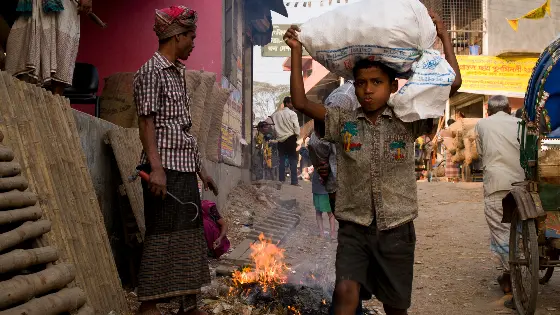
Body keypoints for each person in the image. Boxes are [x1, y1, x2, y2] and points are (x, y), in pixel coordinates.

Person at [283, 10, 462, 315]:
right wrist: (297, 51)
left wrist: (443, 37)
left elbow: (452, 83)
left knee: (395, 307)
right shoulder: (343, 121)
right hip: (355, 228)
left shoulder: (408, 121)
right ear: (353, 87)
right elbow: (301, 103)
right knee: (346, 295)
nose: (368, 89)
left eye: (376, 82)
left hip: (397, 228)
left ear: (393, 86)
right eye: (361, 83)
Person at [134, 6, 217, 315]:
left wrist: (201, 170)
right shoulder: (151, 71)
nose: (194, 43)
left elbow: (183, 130)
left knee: (188, 239)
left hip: (183, 168)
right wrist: (155, 169)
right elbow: (146, 124)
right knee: (162, 237)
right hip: (164, 169)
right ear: (177, 36)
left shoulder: (177, 73)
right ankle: (149, 305)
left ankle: (189, 304)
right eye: (191, 37)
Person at [475, 95, 525, 295]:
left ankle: (513, 276)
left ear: (488, 111)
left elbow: (481, 153)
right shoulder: (521, 123)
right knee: (520, 229)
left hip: (496, 184)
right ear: (509, 109)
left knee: (501, 231)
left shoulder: (482, 125)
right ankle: (509, 273)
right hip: (522, 184)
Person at [5, 0, 92, 95]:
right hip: (33, 5)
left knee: (62, 53)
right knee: (19, 48)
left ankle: (56, 102)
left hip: (64, 7)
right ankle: (20, 99)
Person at [308, 123, 336, 240]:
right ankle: (329, 233)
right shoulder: (328, 143)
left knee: (325, 211)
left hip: (324, 180)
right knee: (325, 211)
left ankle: (327, 233)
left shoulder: (316, 146)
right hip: (322, 180)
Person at [271, 96, 301, 186]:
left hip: (280, 140)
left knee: (282, 160)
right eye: (291, 103)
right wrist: (297, 135)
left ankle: (281, 180)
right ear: (287, 103)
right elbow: (296, 126)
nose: (293, 105)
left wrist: (277, 136)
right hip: (291, 138)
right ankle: (294, 181)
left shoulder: (275, 115)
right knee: (293, 159)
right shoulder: (292, 114)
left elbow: (273, 128)